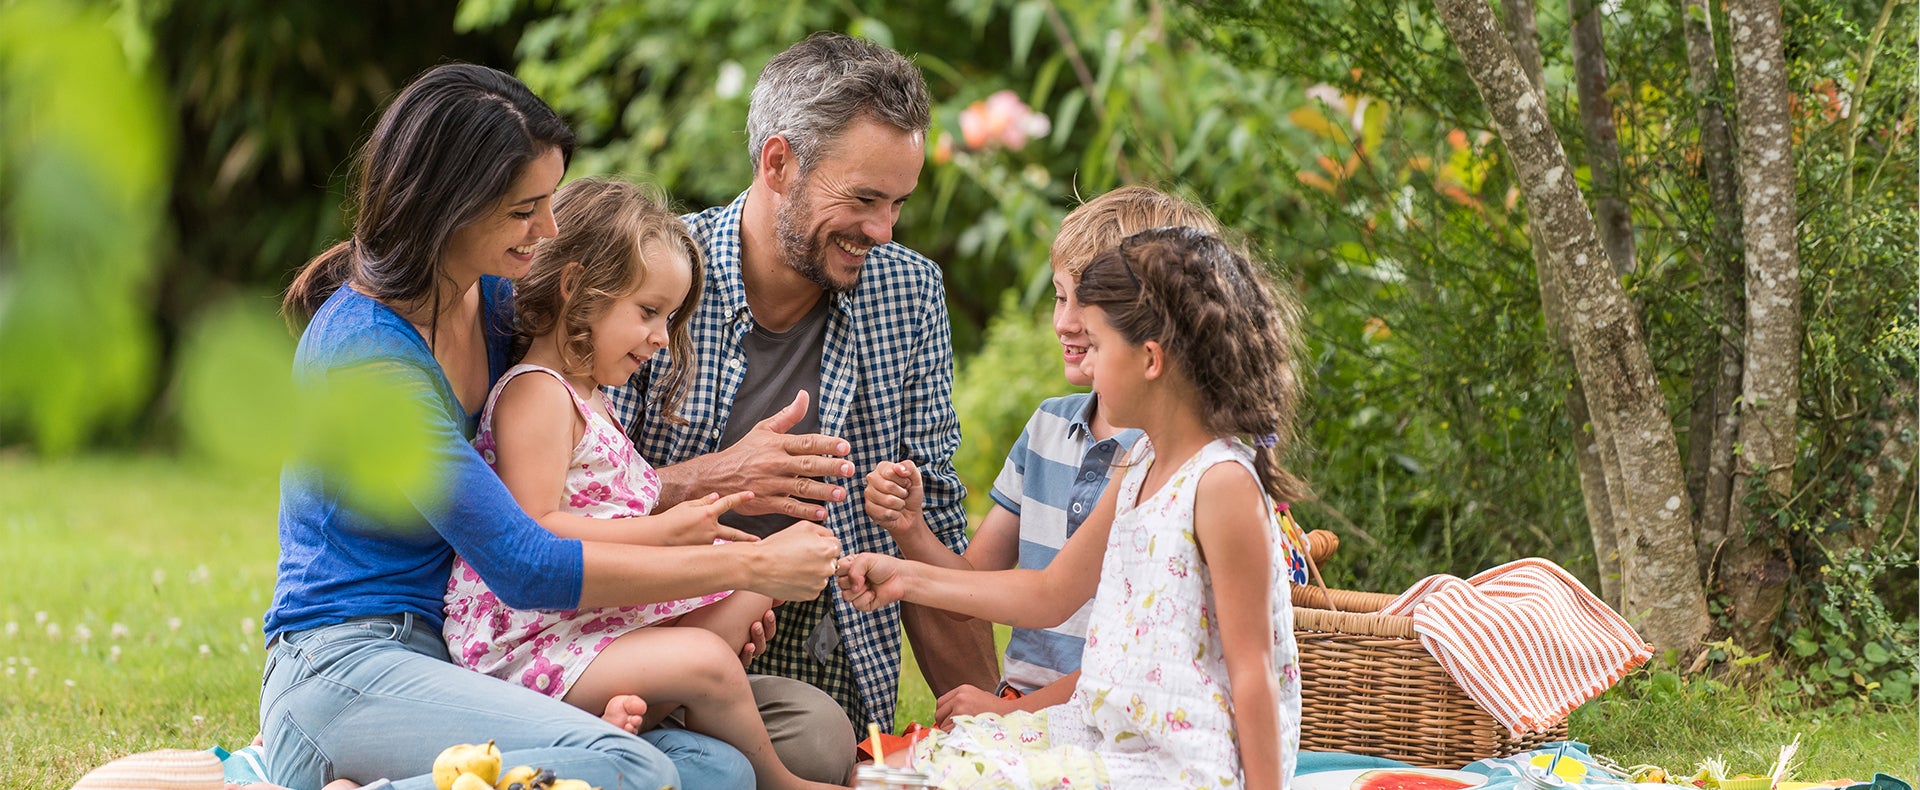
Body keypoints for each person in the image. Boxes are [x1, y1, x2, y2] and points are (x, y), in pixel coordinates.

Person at [265, 63, 840, 790]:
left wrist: (713, 506)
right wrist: (746, 566)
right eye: (523, 209)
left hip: (452, 659)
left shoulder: (498, 308)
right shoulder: (365, 356)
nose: (549, 228)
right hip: (347, 666)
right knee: (628, 768)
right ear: (446, 206)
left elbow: (578, 490)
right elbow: (525, 560)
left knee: (720, 772)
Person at [605, 32, 982, 748]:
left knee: (818, 745)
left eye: (899, 203)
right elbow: (566, 508)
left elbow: (933, 521)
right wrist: (718, 478)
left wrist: (998, 727)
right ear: (778, 162)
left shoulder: (908, 291)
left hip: (819, 649)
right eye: (864, 198)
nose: (882, 230)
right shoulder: (650, 279)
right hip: (643, 630)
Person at [838, 226, 1308, 789]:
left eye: (1100, 346)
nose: (1087, 366)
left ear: (1151, 358)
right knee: (906, 766)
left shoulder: (1221, 482)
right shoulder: (1141, 466)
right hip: (1110, 735)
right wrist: (903, 578)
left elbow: (1252, 670)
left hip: (1181, 765)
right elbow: (1047, 592)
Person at [440, 176, 841, 790]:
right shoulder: (536, 395)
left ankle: (628, 713)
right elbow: (534, 532)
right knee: (708, 656)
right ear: (576, 288)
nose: (660, 336)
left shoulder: (591, 398)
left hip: (588, 623)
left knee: (755, 583)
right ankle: (777, 781)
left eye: (671, 316)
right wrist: (662, 532)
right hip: (529, 640)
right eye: (648, 312)